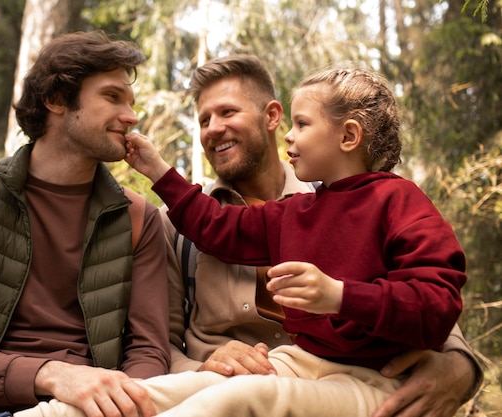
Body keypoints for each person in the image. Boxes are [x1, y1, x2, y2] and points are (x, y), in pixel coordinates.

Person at [121, 62, 472, 416]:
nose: (290, 135)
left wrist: (339, 296)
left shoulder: (398, 200)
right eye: (203, 120)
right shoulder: (295, 213)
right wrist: (158, 170)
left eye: (302, 124)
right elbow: (217, 227)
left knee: (238, 398)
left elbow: (435, 301)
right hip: (297, 364)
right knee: (167, 392)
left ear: (349, 137)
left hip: (373, 377)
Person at [0, 30, 170, 417]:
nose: (132, 116)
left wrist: (125, 401)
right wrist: (51, 374)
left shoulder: (140, 219)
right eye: (111, 97)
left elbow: (149, 350)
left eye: (131, 101)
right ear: (56, 99)